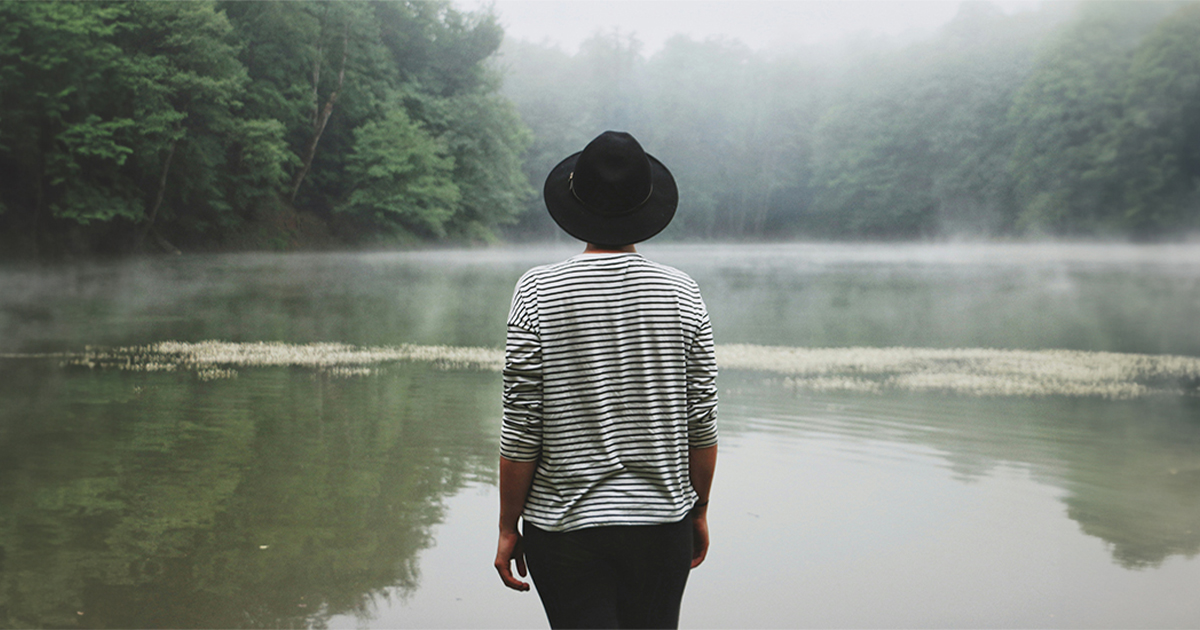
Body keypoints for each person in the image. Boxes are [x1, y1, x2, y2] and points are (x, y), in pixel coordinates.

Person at [493, 130, 719, 629]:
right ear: (647, 204)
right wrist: (699, 510)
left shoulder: (537, 291)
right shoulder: (682, 292)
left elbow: (522, 423)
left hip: (565, 529)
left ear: (576, 204)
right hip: (661, 525)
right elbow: (701, 419)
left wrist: (509, 525)